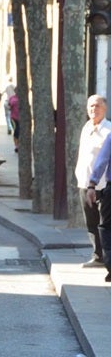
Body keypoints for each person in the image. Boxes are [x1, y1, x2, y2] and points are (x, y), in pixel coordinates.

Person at [76, 95, 111, 268]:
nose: (93, 109)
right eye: (90, 106)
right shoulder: (86, 127)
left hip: (103, 185)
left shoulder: (108, 131)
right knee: (91, 222)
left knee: (104, 222)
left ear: (104, 109)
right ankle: (98, 256)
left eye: (97, 106)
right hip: (84, 182)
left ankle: (107, 257)